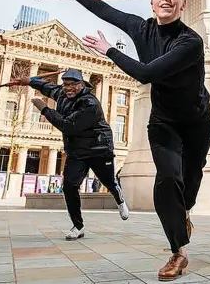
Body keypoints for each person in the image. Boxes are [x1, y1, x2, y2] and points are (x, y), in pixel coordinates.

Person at [49, 0, 210, 280]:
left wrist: (108, 50)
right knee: (166, 180)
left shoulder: (190, 42)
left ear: (183, 3)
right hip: (164, 122)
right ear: (152, 2)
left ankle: (185, 212)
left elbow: (146, 73)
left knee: (188, 187)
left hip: (196, 124)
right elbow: (105, 11)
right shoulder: (141, 27)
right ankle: (178, 252)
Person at [14, 69, 129, 240]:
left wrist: (45, 109)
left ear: (81, 85)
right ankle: (78, 226)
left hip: (99, 148)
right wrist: (29, 81)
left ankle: (120, 200)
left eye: (72, 85)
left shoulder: (90, 103)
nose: (68, 88)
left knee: (108, 181)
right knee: (69, 185)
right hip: (77, 151)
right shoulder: (61, 93)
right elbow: (47, 87)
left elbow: (69, 126)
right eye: (66, 84)